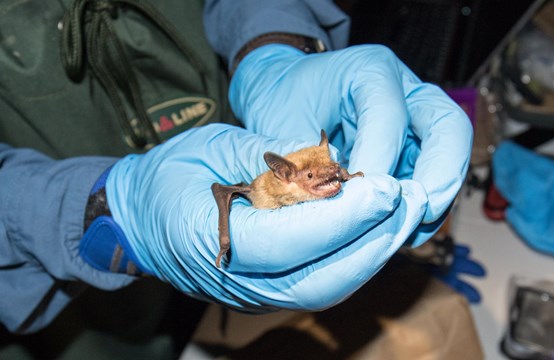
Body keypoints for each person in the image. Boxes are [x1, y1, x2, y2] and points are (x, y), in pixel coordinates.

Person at [0, 0, 472, 354]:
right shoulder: (274, 186)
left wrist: (273, 44)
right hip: (72, 319)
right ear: (284, 175)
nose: (329, 178)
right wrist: (95, 210)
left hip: (218, 287)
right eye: (314, 176)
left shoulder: (312, 172)